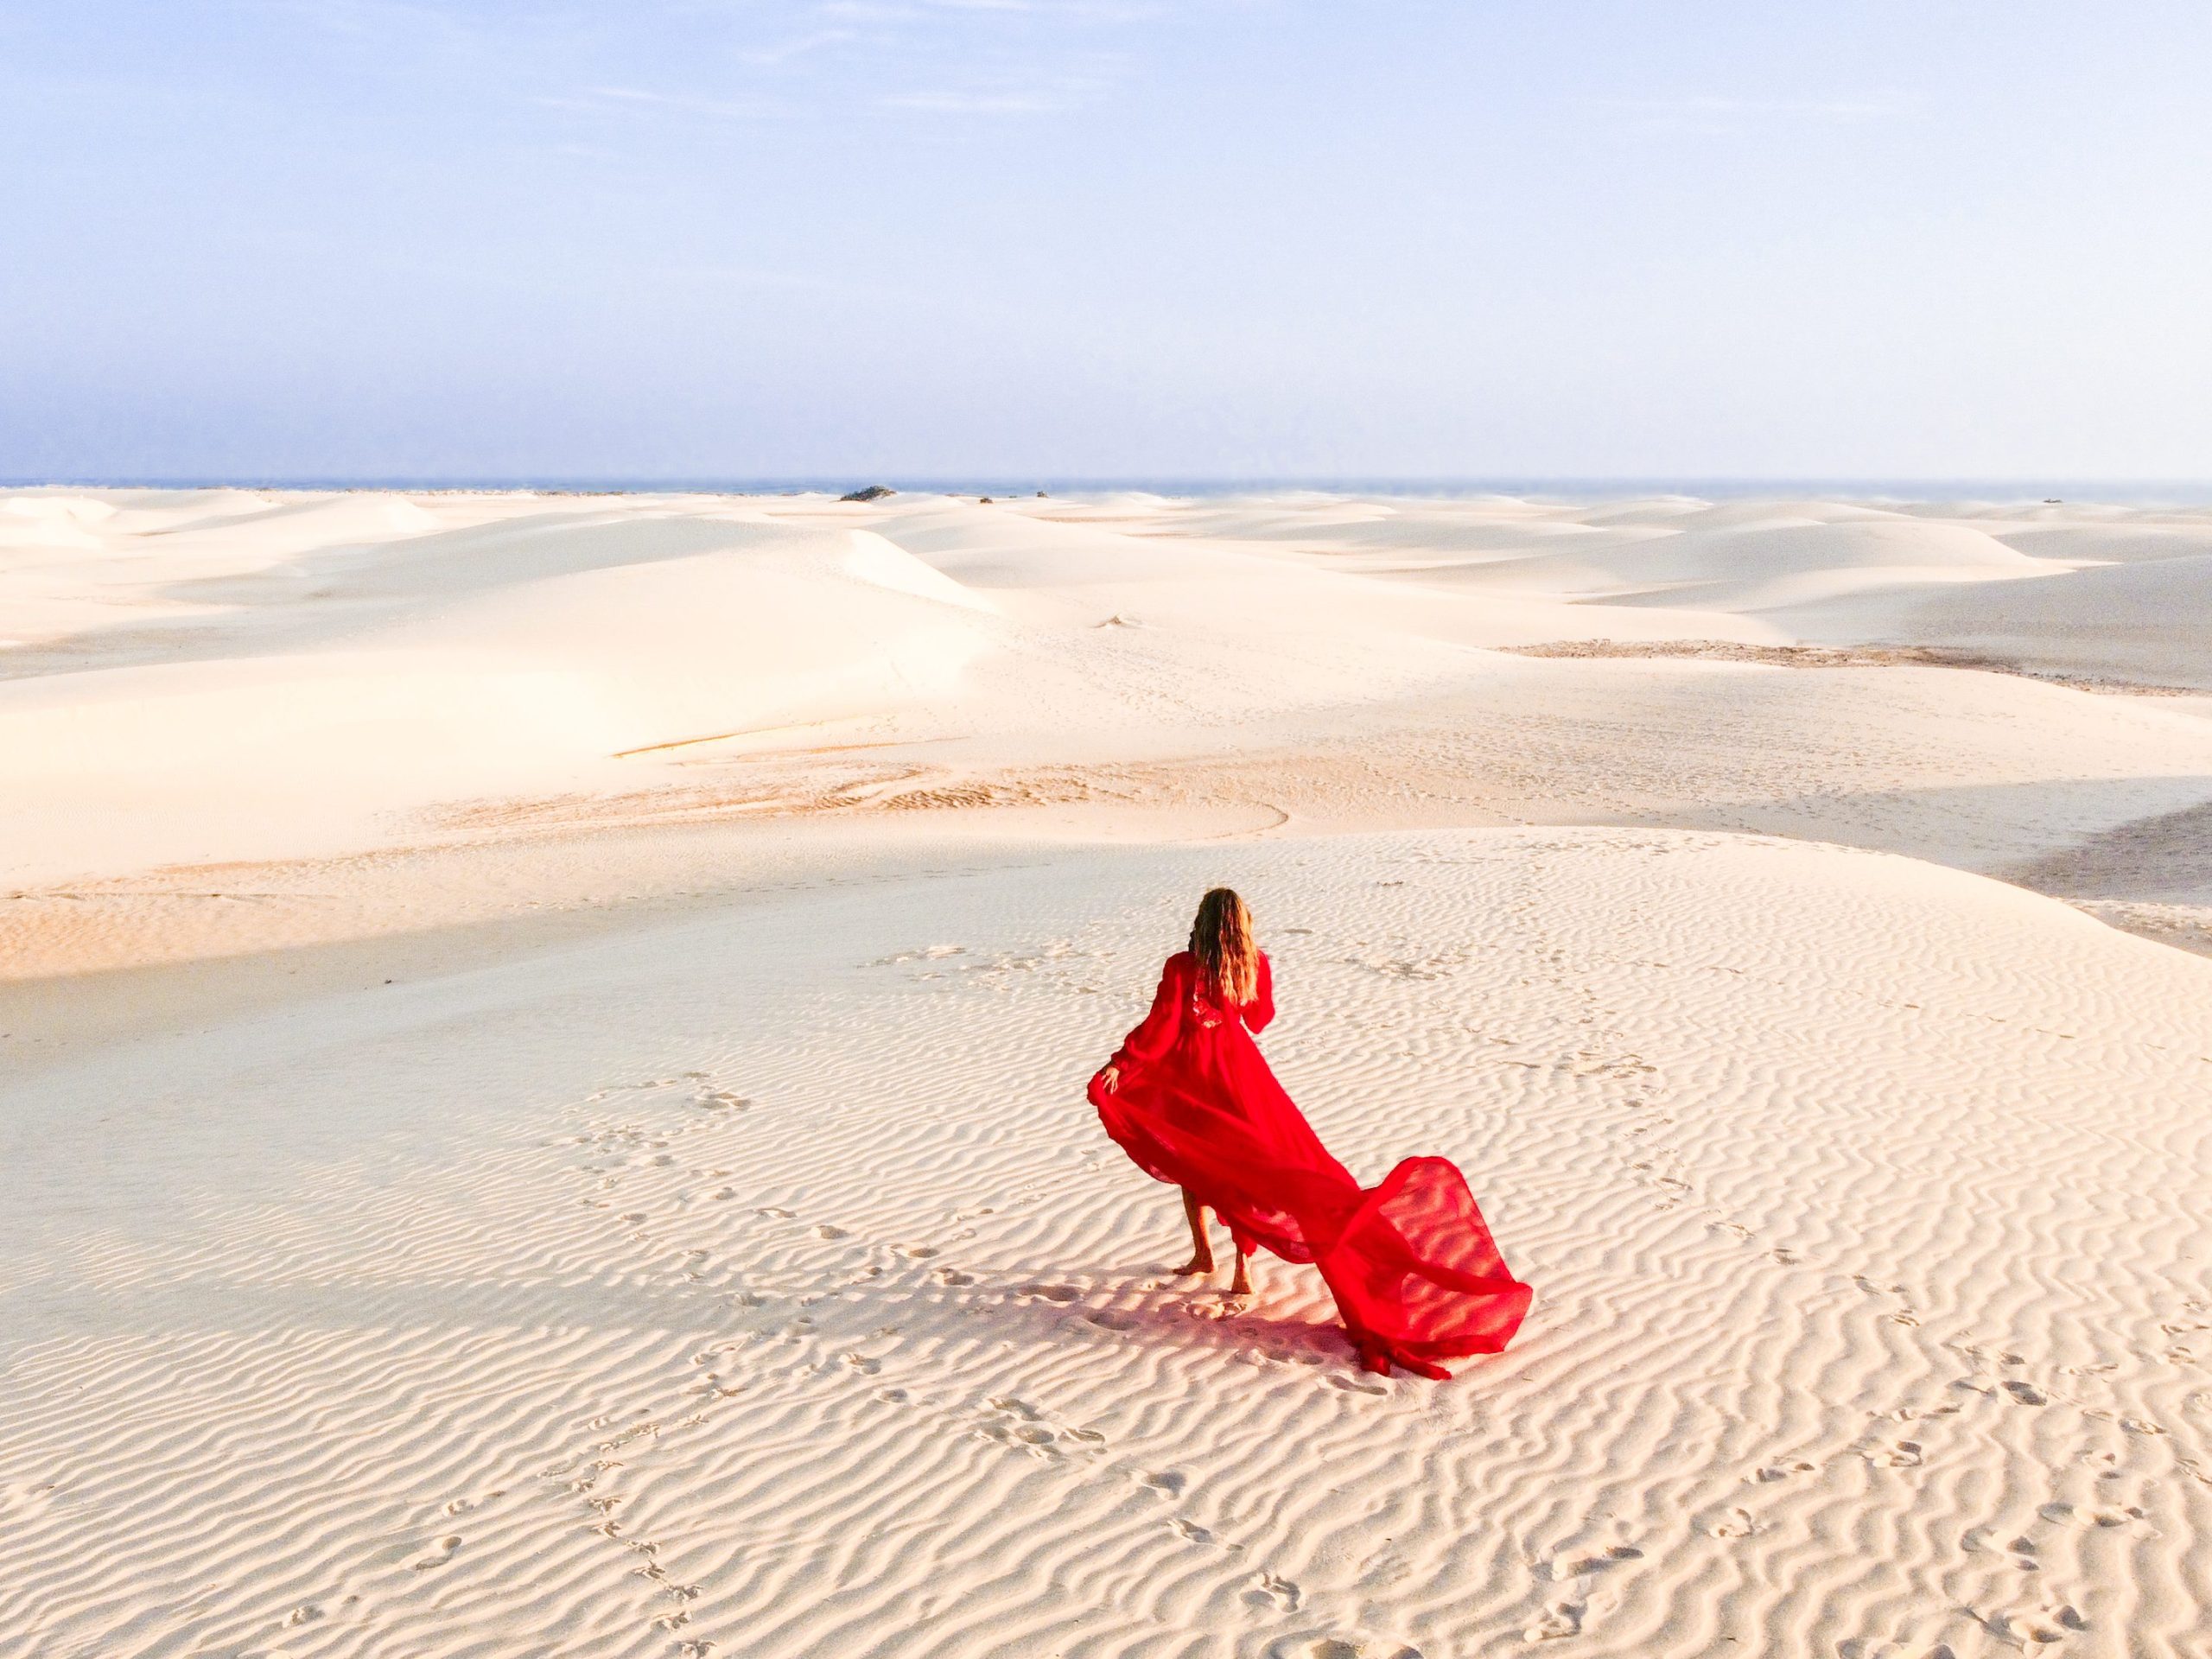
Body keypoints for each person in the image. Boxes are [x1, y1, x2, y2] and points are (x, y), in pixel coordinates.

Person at [1090, 887, 1530, 1378]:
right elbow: (1259, 1019)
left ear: (1202, 920)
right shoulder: (1252, 962)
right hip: (1243, 1078)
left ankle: (1203, 1253)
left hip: (1193, 1078)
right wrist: (1246, 978)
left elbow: (1162, 1025)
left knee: (1198, 1162)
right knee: (1254, 1171)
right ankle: (1241, 1269)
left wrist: (1122, 1063)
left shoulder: (1181, 966)